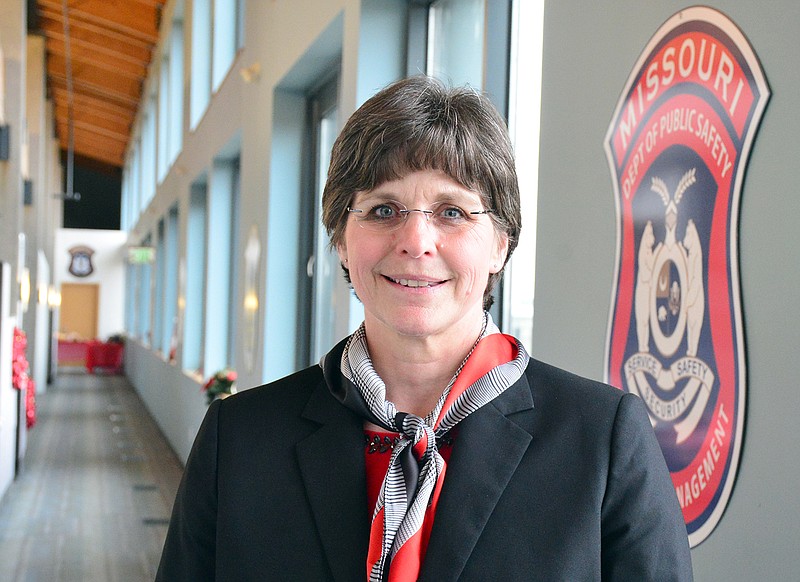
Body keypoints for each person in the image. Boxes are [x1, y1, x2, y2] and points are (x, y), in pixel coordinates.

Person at [156, 76, 693, 581]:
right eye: (383, 209)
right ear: (342, 241)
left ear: (500, 245)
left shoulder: (602, 441)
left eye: (452, 212)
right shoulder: (240, 442)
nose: (416, 241)